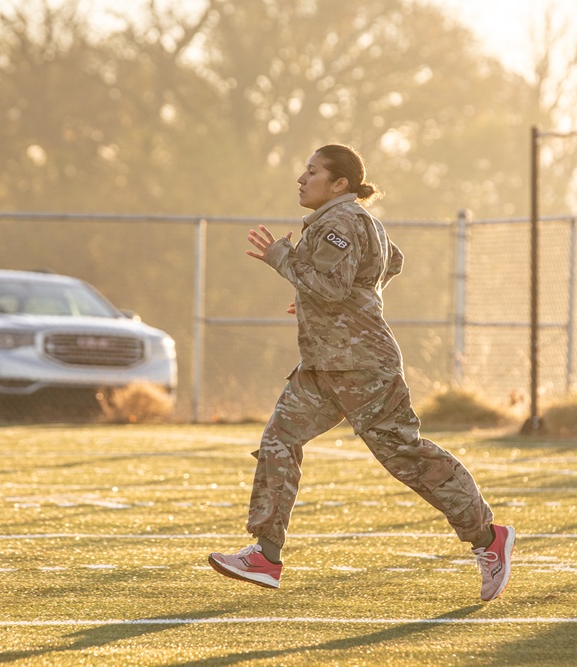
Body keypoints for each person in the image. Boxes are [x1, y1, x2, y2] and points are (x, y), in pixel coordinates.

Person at [207, 144, 514, 601]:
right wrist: (332, 300)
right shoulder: (349, 220)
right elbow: (390, 262)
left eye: (312, 171)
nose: (301, 178)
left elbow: (331, 286)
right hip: (324, 367)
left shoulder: (341, 221)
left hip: (365, 368)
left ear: (339, 185)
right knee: (279, 439)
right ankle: (266, 556)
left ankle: (489, 540)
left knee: (405, 458)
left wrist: (282, 259)